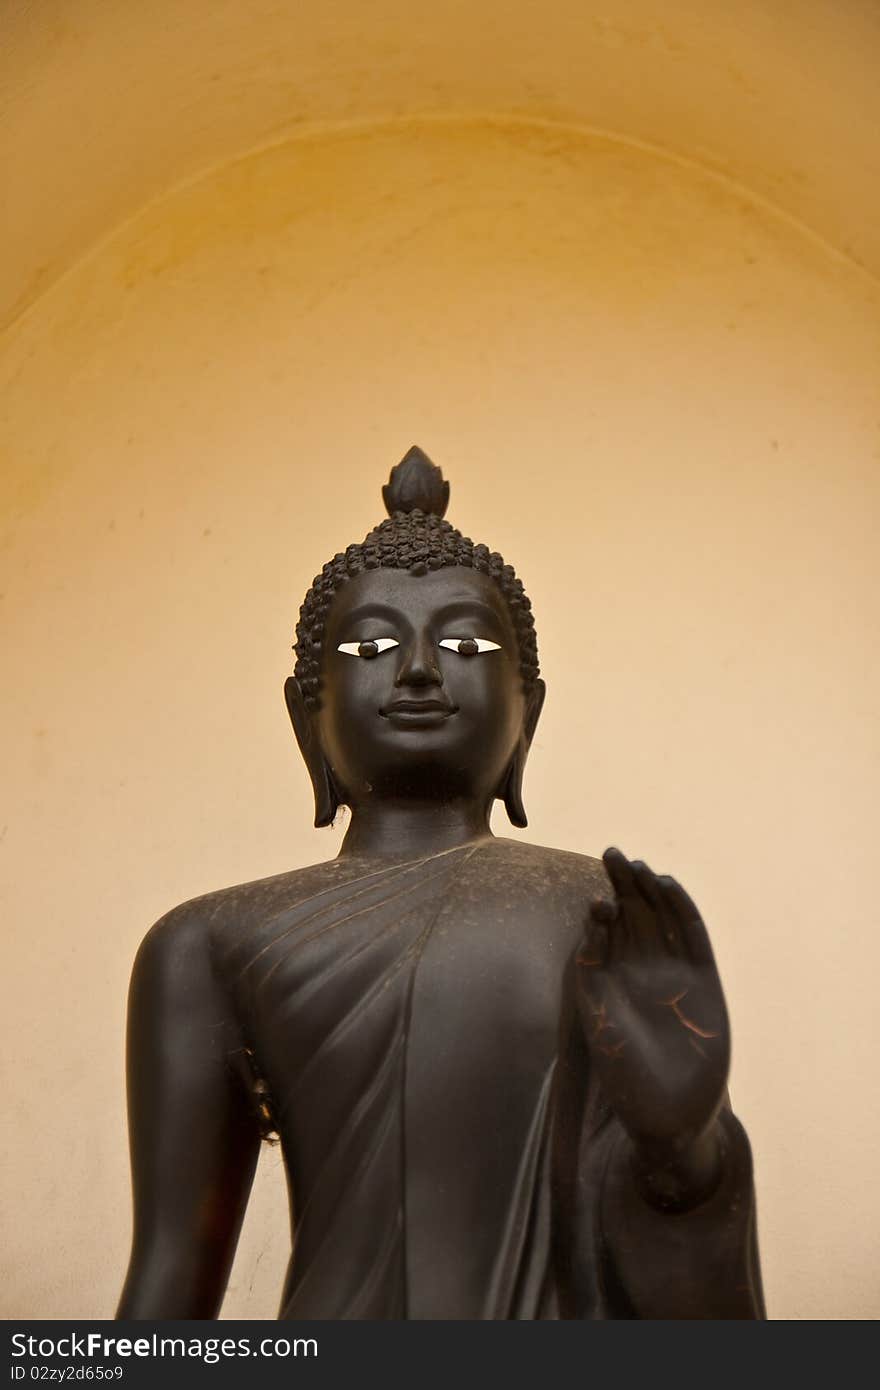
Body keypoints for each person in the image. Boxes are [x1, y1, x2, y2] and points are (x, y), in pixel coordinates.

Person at [117, 447, 764, 1319]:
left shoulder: (606, 919)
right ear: (306, 715)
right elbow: (168, 1283)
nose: (419, 668)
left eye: (466, 642)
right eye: (370, 645)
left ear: (526, 711)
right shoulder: (207, 943)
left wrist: (687, 1155)